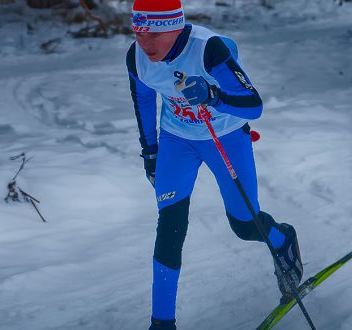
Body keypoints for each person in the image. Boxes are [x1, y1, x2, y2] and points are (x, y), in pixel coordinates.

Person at [125, 1, 303, 328]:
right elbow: (143, 101)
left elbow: (253, 105)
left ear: (174, 27)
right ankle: (161, 323)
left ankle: (283, 240)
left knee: (245, 224)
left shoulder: (208, 49)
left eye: (152, 32)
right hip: (178, 143)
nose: (144, 42)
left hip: (226, 138)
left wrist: (213, 95)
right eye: (137, 32)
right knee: (170, 227)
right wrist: (150, 153)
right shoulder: (137, 57)